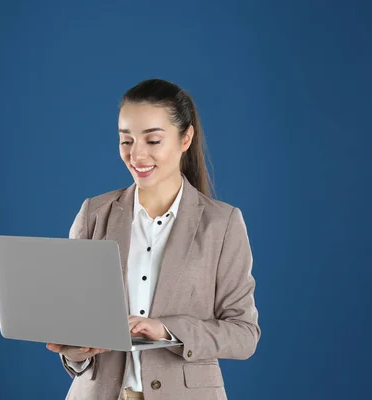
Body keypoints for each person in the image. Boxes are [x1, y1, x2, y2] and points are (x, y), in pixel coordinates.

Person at [46, 78, 260, 400]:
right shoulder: (94, 213)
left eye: (153, 140)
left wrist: (167, 329)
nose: (137, 155)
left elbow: (244, 335)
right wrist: (74, 350)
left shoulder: (222, 223)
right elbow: (76, 327)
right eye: (126, 141)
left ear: (185, 138)